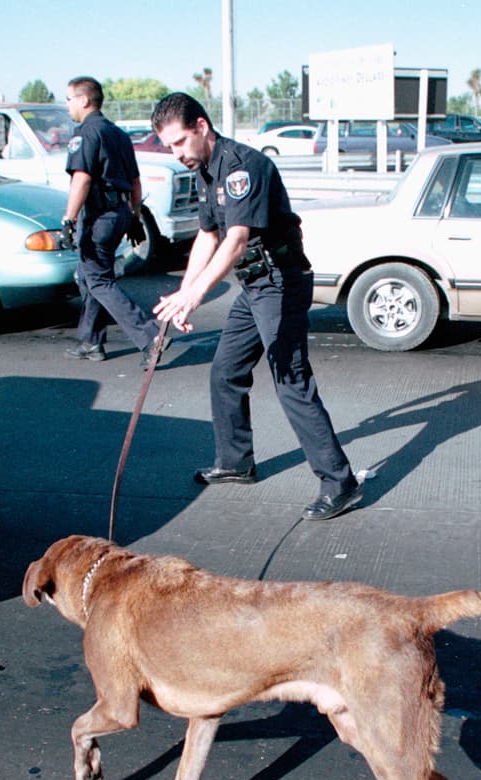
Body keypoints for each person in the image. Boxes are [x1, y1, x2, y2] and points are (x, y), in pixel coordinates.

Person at [150, 93, 362, 522]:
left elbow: (237, 239)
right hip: (253, 286)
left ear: (202, 128)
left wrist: (195, 295)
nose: (175, 154)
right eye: (168, 146)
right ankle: (235, 462)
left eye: (178, 143)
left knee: (291, 381)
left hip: (280, 282)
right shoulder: (206, 172)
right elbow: (207, 238)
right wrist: (182, 296)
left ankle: (339, 482)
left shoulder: (244, 166)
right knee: (225, 371)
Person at [61, 76, 167, 370]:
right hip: (119, 211)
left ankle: (150, 336)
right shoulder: (117, 134)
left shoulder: (86, 133)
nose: (67, 105)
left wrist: (68, 220)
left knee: (98, 279)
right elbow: (135, 180)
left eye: (69, 99)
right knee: (89, 275)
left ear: (83, 100)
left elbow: (81, 178)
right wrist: (133, 216)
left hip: (98, 216)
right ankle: (90, 341)